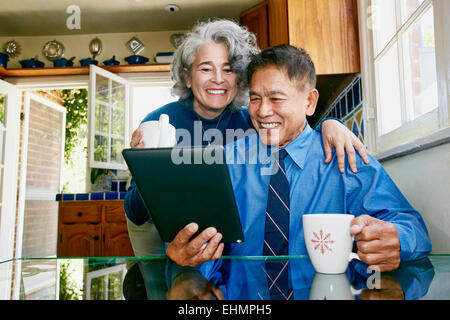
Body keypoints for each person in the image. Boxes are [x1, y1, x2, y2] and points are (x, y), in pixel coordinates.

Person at [166, 44, 432, 272]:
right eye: (256, 99)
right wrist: (185, 255)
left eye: (276, 98)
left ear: (309, 102)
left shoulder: (346, 156)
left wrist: (398, 240)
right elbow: (193, 240)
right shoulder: (222, 161)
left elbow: (413, 228)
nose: (262, 111)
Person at [125, 19, 369, 258]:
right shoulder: (159, 122)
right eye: (206, 68)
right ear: (188, 76)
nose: (218, 78)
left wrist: (331, 124)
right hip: (160, 228)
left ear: (239, 77)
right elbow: (136, 212)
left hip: (218, 232)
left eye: (228, 69)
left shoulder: (254, 120)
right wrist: (149, 172)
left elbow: (297, 137)